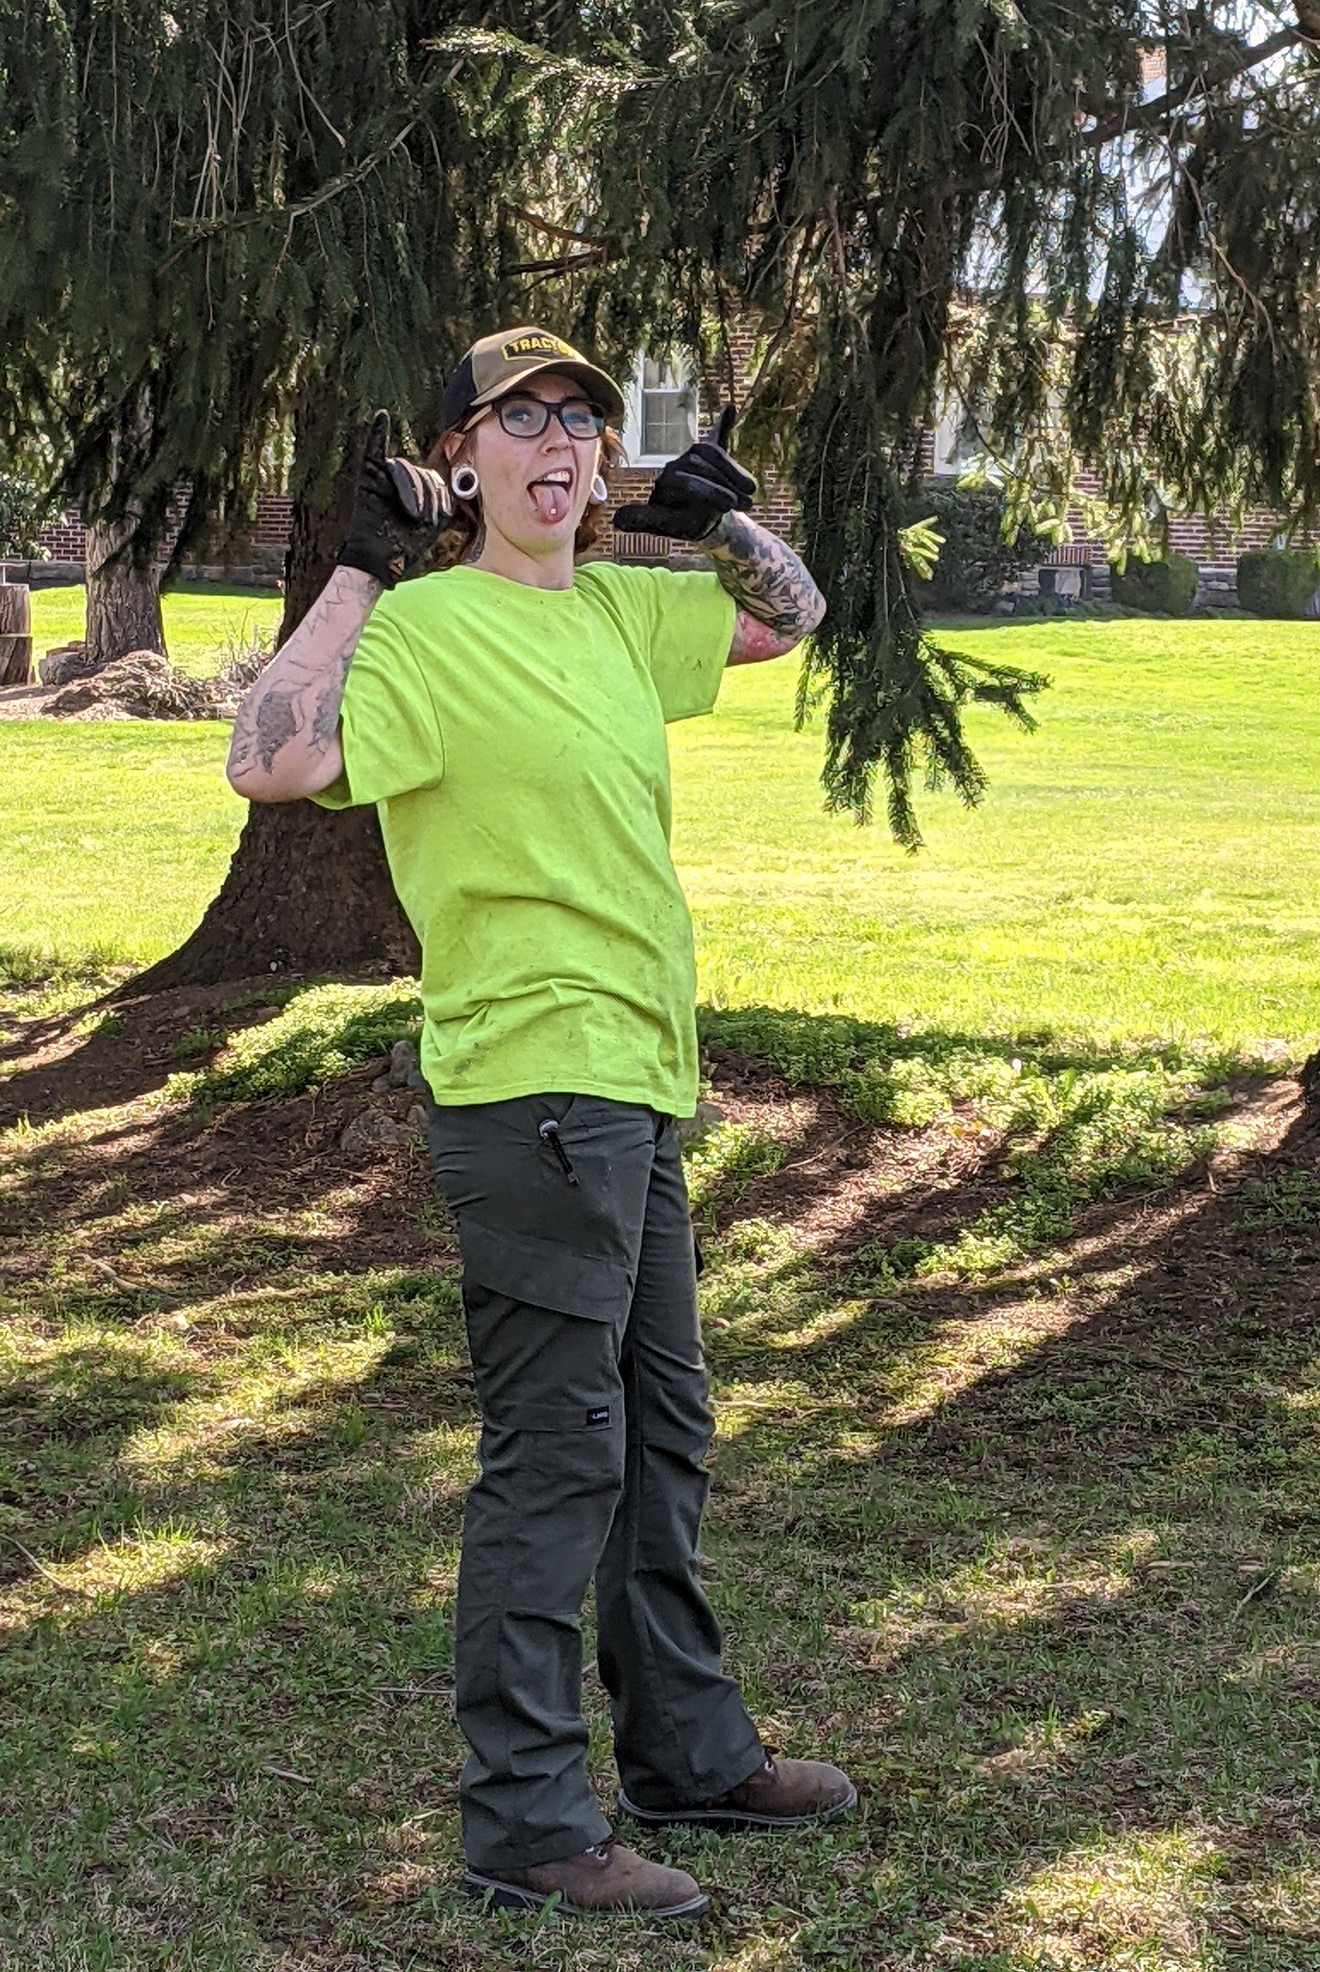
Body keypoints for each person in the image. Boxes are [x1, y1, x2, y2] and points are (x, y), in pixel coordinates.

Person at [226, 324, 854, 1922]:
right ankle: (522, 1819)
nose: (559, 445)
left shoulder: (631, 617)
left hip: (637, 1078)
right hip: (528, 1084)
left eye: (580, 419)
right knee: (557, 1455)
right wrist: (365, 567)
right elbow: (271, 763)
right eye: (520, 422)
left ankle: (690, 1757)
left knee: (661, 1436)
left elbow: (797, 619)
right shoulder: (428, 630)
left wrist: (716, 524)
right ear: (465, 459)